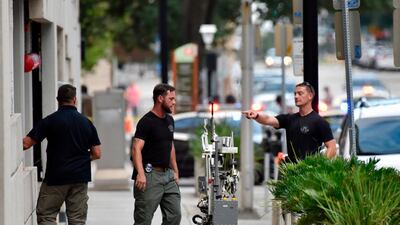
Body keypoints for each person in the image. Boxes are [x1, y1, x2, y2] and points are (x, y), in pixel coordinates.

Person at [22, 84, 101, 225]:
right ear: (75, 99)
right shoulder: (86, 123)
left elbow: (26, 144)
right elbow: (97, 153)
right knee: (77, 220)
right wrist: (82, 159)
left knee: (46, 215)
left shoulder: (49, 121)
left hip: (56, 177)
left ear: (58, 99)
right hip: (79, 177)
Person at [243, 82, 336, 164]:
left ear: (310, 96)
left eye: (300, 93)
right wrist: (256, 116)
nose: (296, 96)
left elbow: (332, 147)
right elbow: (268, 119)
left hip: (309, 174)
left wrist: (319, 166)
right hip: (292, 174)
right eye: (295, 94)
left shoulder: (320, 122)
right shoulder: (289, 119)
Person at [131, 83, 181, 225]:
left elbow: (170, 146)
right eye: (171, 99)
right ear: (160, 98)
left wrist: (175, 171)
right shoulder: (146, 122)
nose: (174, 102)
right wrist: (140, 173)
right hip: (150, 175)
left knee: (175, 216)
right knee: (144, 220)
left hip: (168, 176)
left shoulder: (170, 120)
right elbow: (136, 149)